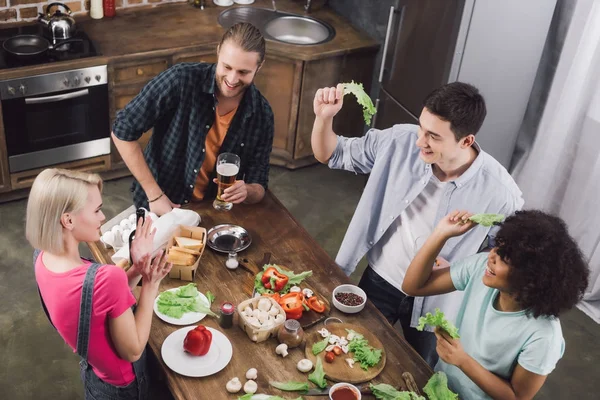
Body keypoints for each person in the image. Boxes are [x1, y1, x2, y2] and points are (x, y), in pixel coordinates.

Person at [311, 82, 524, 366]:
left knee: (423, 373)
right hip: (380, 280)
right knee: (351, 358)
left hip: (438, 300)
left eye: (433, 136)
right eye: (421, 128)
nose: (419, 141)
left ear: (466, 141)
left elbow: (507, 252)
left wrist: (467, 268)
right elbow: (331, 153)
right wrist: (324, 118)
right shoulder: (399, 141)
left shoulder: (501, 193)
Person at [402, 210, 589, 399]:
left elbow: (516, 397)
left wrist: (462, 361)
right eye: (498, 246)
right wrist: (441, 233)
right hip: (438, 389)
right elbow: (413, 286)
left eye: (504, 258)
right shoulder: (480, 267)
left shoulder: (544, 336)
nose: (491, 256)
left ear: (531, 277)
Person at [26, 168, 172, 400]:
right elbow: (133, 350)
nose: (103, 217)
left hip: (95, 381)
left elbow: (97, 301)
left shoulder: (42, 258)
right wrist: (150, 284)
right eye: (97, 210)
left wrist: (135, 270)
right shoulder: (106, 277)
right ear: (68, 220)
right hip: (125, 389)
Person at [112, 22, 274, 214]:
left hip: (211, 212)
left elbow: (259, 184)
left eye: (243, 72)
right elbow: (122, 130)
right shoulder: (180, 80)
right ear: (218, 52)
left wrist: (247, 191)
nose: (232, 79)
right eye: (227, 66)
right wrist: (154, 194)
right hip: (160, 201)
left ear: (259, 66)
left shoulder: (262, 114)